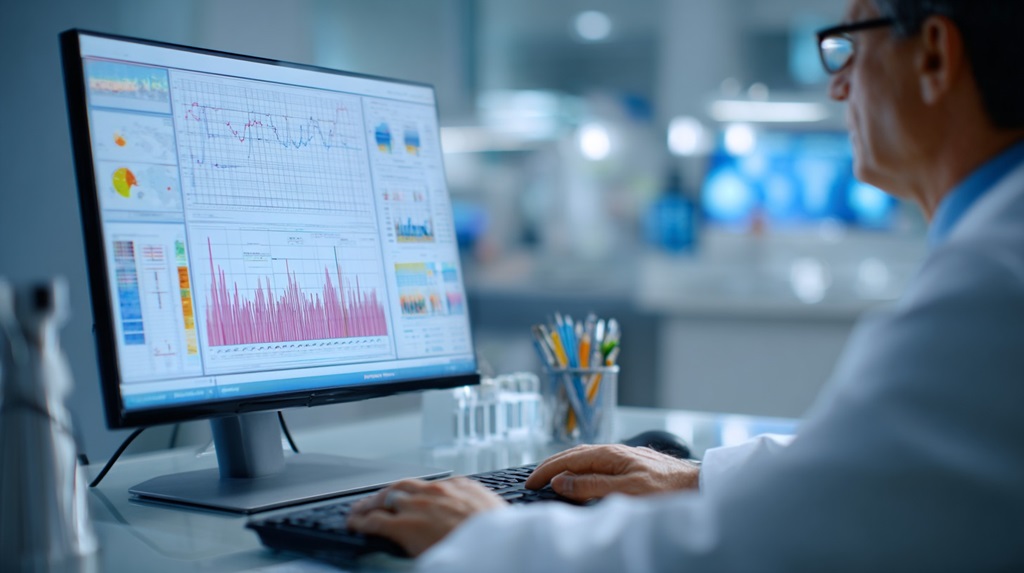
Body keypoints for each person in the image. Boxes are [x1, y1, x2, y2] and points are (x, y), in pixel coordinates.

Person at [348, 0, 1024, 569]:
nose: (837, 85)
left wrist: (487, 537)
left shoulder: (992, 285)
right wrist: (698, 475)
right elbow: (881, 472)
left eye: (849, 44)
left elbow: (746, 553)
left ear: (934, 55)